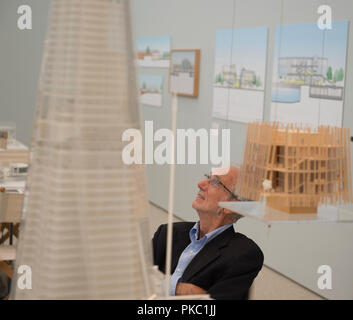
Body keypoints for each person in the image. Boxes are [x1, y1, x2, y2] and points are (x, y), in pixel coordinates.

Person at [152, 166, 264, 300]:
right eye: (207, 177)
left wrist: (164, 285)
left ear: (231, 205)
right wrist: (182, 289)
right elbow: (132, 278)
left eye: (215, 182)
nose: (200, 184)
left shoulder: (244, 254)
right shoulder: (167, 233)